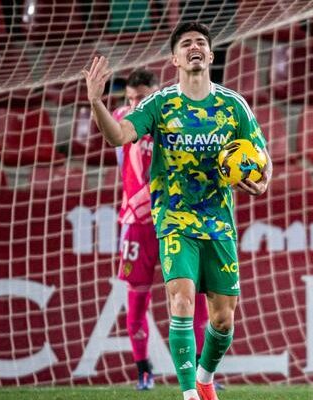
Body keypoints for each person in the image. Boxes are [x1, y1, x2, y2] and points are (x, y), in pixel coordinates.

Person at [83, 21, 272, 400]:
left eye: (201, 42)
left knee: (223, 319)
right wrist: (96, 102)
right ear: (175, 58)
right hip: (174, 219)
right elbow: (119, 136)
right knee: (182, 301)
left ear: (211, 55)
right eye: (186, 43)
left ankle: (204, 377)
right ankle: (190, 395)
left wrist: (262, 181)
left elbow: (262, 159)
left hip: (218, 222)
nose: (194, 47)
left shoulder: (233, 105)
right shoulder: (160, 103)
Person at [113, 68, 215, 391]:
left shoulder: (172, 118)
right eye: (129, 99)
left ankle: (200, 374)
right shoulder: (123, 119)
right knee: (136, 300)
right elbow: (114, 131)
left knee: (195, 299)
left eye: (140, 98)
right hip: (137, 224)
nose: (134, 104)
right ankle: (143, 370)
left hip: (177, 220)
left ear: (156, 94)